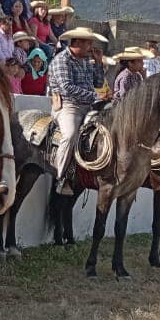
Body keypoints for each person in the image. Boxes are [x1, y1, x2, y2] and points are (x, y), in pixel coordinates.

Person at [49, 26, 110, 194]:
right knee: (69, 136)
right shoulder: (62, 60)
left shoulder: (85, 62)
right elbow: (67, 88)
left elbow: (98, 83)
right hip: (69, 106)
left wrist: (98, 62)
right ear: (77, 43)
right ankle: (60, 178)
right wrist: (96, 98)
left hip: (87, 105)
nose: (91, 48)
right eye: (88, 44)